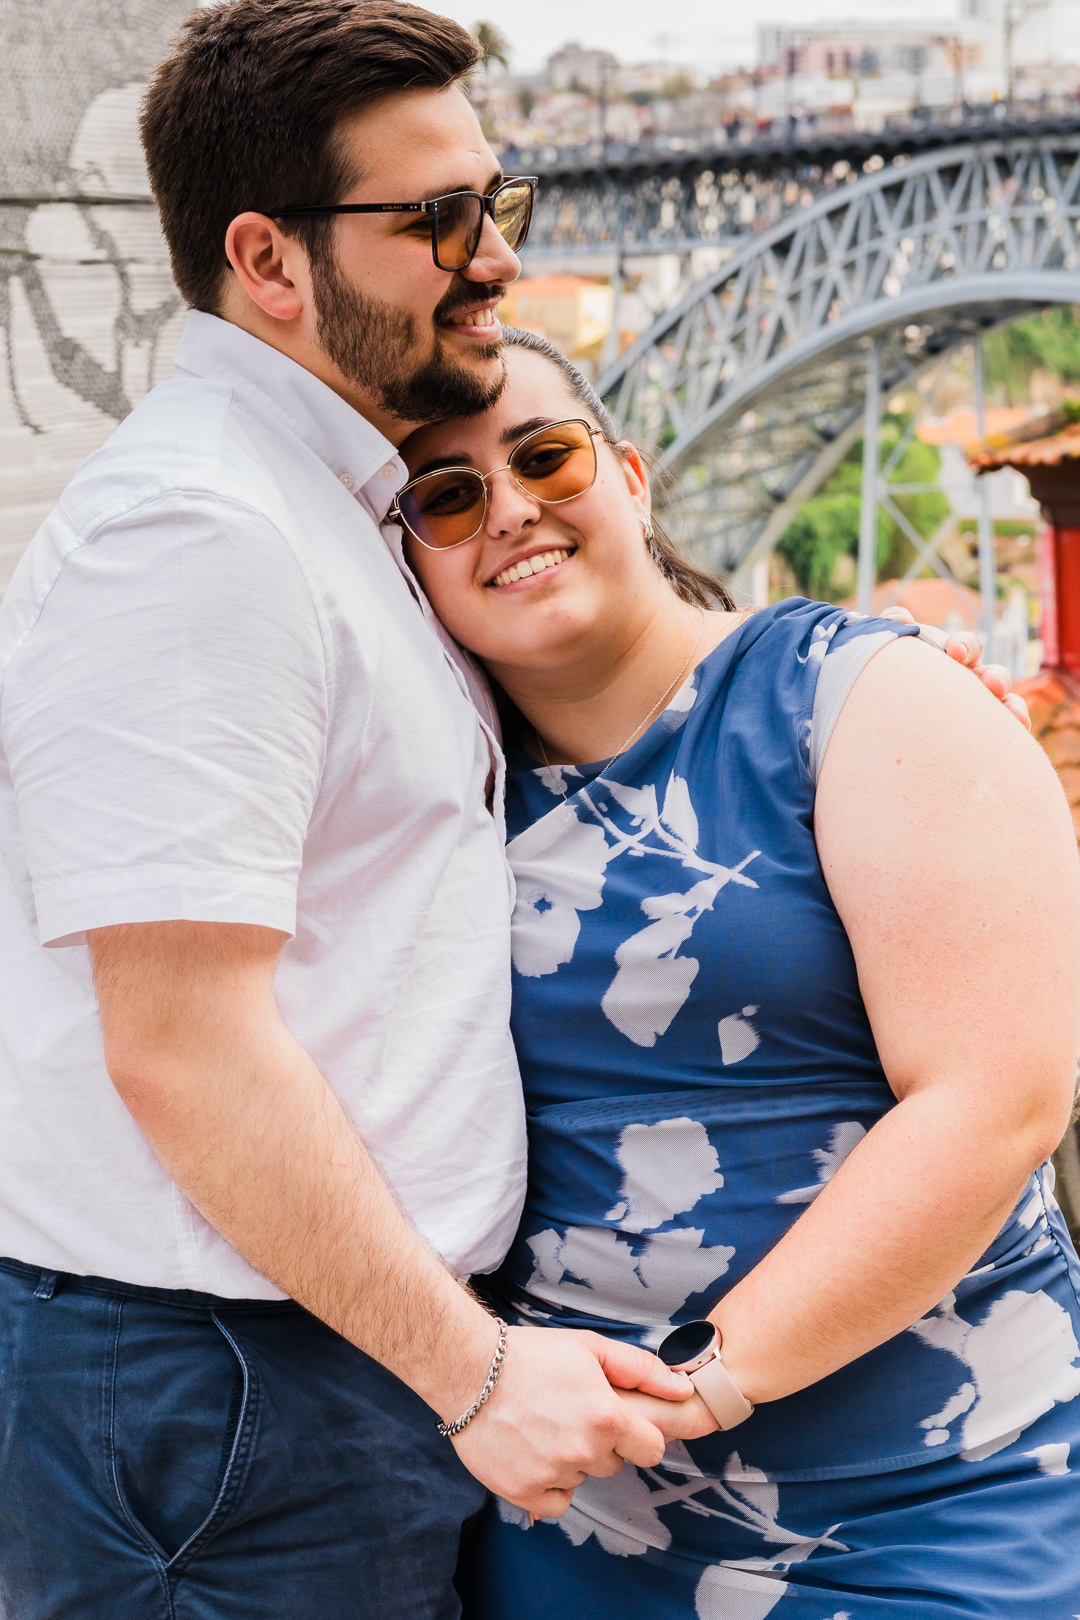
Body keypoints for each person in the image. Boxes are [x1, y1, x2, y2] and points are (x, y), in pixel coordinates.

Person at [0, 8, 696, 1617]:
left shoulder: (319, 508)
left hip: (312, 1370)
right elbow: (182, 1043)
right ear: (270, 260)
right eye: (435, 221)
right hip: (238, 1391)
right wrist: (471, 1376)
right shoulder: (198, 536)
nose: (496, 260)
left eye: (495, 205)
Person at [390, 327, 1080, 1619]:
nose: (512, 509)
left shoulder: (861, 701)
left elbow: (996, 1106)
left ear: (633, 476)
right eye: (446, 493)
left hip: (933, 1504)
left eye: (546, 455)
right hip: (571, 1532)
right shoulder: (422, 795)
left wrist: (700, 1384)